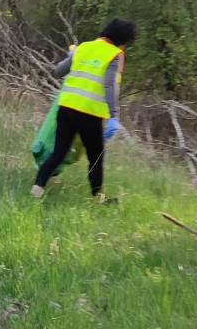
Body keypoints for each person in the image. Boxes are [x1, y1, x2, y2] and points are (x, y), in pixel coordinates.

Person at [31, 18, 136, 200]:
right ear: (124, 40)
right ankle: (97, 198)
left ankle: (37, 189)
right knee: (95, 157)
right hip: (89, 114)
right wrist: (114, 116)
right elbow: (110, 86)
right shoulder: (114, 54)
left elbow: (58, 71)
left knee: (59, 153)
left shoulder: (83, 47)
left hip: (66, 107)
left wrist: (70, 58)